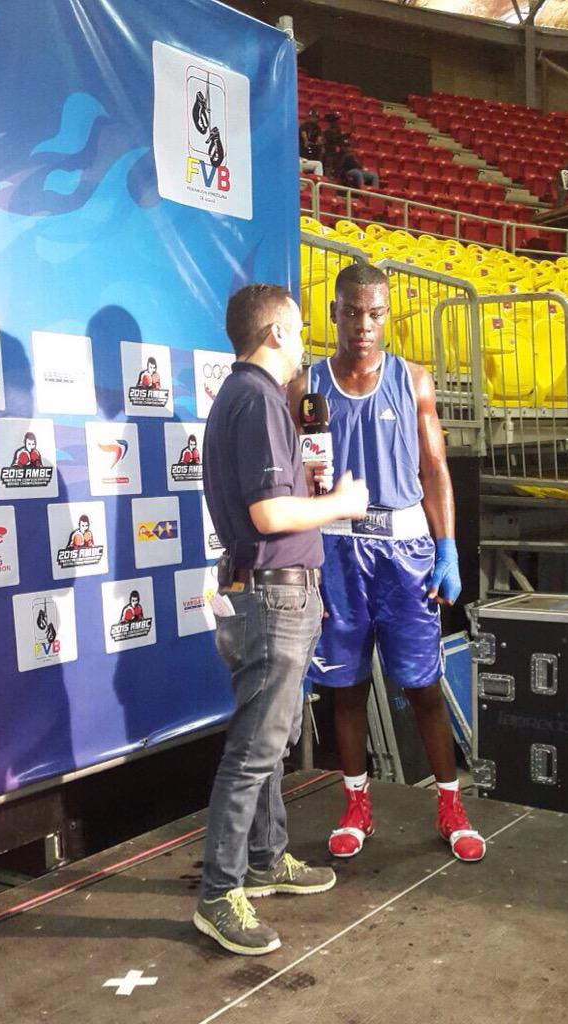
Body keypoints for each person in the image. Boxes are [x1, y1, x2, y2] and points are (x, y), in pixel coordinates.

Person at [289, 263, 486, 865]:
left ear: (388, 315)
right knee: (343, 688)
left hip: (404, 554)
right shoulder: (306, 385)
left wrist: (448, 547)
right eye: (353, 312)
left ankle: (451, 805)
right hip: (338, 551)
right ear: (335, 314)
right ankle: (357, 804)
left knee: (422, 683)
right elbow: (289, 469)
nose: (364, 325)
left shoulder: (414, 381)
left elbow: (434, 472)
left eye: (376, 314)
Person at [196, 283, 369, 957]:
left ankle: (266, 858)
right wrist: (341, 503)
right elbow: (270, 516)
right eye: (297, 332)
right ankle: (219, 891)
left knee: (267, 737)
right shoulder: (260, 399)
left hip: (259, 592)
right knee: (256, 748)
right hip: (273, 596)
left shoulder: (243, 399)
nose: (305, 345)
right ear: (273, 335)